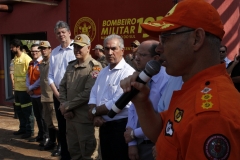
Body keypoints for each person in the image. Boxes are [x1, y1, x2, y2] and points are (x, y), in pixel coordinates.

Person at [120, 0, 240, 159]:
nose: (159, 48)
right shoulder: (192, 88)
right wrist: (142, 102)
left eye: (166, 38)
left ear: (196, 39)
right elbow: (162, 132)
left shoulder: (210, 115)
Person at [88, 34, 135, 160]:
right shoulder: (103, 71)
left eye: (114, 49)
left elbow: (117, 103)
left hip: (120, 127)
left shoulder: (128, 72)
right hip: (104, 126)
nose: (109, 52)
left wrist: (94, 111)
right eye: (106, 49)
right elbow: (93, 94)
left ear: (122, 50)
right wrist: (96, 115)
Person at [124, 40, 169, 160]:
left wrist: (134, 134)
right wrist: (132, 143)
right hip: (138, 143)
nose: (137, 58)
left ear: (155, 58)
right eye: (136, 55)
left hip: (156, 143)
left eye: (142, 55)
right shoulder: (139, 77)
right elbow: (133, 109)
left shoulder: (167, 80)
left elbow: (162, 117)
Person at [59, 34, 101, 160]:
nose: (76, 49)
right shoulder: (71, 65)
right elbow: (62, 86)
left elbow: (89, 92)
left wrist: (66, 106)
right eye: (75, 46)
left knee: (87, 153)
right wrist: (65, 107)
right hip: (70, 118)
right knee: (74, 151)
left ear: (88, 47)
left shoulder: (95, 67)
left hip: (84, 120)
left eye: (80, 47)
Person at [48, 21, 75, 159]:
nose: (61, 35)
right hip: (58, 94)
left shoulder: (77, 49)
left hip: (74, 95)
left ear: (69, 32)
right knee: (62, 127)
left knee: (74, 128)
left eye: (63, 32)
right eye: (58, 33)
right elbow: (50, 76)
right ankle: (65, 154)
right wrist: (58, 95)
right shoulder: (54, 52)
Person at [10, 39, 35, 139]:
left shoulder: (26, 59)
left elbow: (31, 74)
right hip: (17, 89)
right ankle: (22, 128)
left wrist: (29, 88)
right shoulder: (15, 59)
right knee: (19, 110)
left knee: (27, 111)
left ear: (18, 47)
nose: (11, 49)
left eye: (12, 47)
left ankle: (30, 131)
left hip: (25, 90)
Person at [38, 41, 59, 152]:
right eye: (41, 48)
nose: (43, 50)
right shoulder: (42, 64)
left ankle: (60, 145)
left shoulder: (53, 62)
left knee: (56, 122)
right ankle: (51, 141)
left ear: (50, 49)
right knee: (48, 121)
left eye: (45, 48)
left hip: (52, 97)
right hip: (44, 97)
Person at [26, 44, 48, 143]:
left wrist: (30, 87)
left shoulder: (42, 63)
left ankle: (46, 136)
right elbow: (27, 76)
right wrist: (28, 87)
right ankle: (40, 134)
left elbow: (41, 79)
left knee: (44, 117)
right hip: (33, 94)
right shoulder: (31, 63)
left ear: (39, 52)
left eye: (36, 51)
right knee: (38, 116)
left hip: (40, 94)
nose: (34, 53)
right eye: (32, 51)